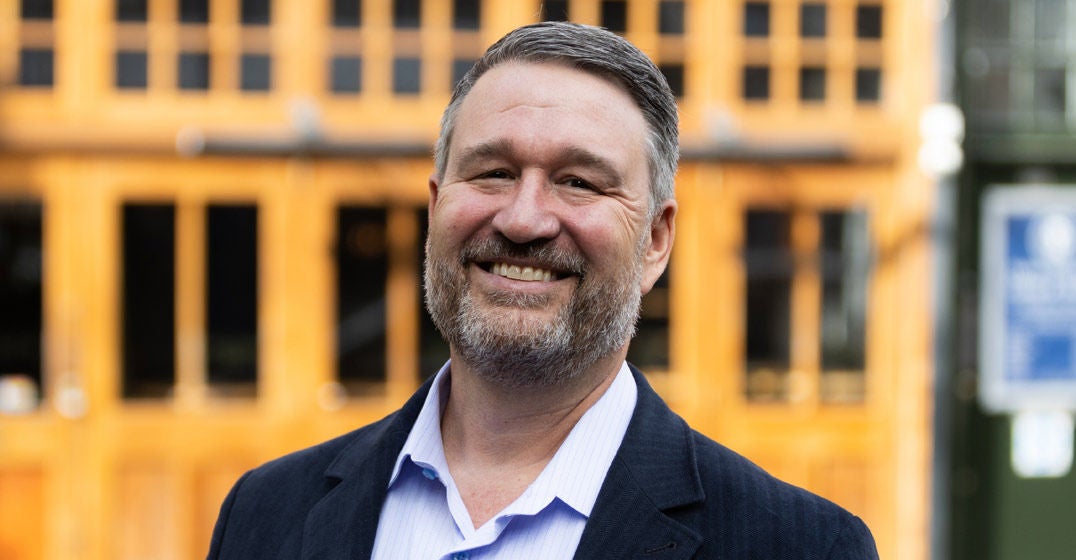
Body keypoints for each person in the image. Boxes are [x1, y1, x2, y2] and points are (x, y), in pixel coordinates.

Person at [207, 21, 879, 560]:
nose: (524, 219)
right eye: (494, 172)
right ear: (437, 207)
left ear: (655, 240)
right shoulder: (267, 513)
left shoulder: (797, 545)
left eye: (579, 182)